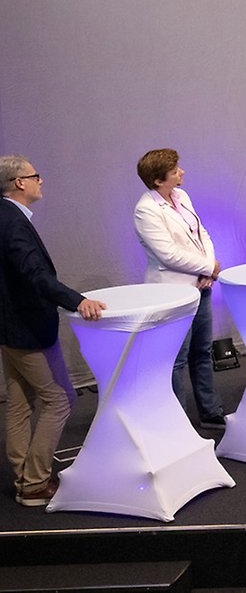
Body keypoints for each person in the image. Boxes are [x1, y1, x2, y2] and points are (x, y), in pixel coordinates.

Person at [0, 154, 106, 506]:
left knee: (19, 403)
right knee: (60, 399)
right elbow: (35, 275)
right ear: (19, 183)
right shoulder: (13, 223)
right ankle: (34, 484)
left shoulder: (5, 217)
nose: (40, 181)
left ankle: (23, 475)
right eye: (36, 176)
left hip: (9, 329)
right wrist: (76, 301)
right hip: (28, 329)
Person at [133, 149, 226, 429]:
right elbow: (167, 254)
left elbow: (202, 233)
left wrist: (208, 267)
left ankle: (210, 411)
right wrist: (207, 267)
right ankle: (177, 423)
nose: (181, 172)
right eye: (175, 170)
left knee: (202, 351)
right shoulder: (145, 210)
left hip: (200, 287)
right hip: (173, 293)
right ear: (159, 180)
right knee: (176, 358)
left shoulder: (181, 197)